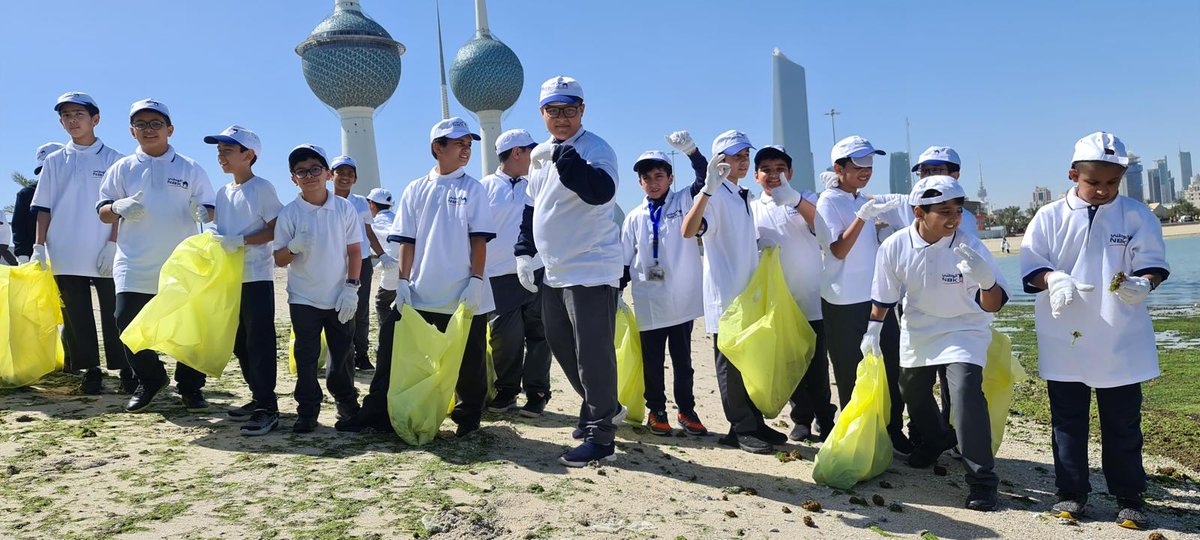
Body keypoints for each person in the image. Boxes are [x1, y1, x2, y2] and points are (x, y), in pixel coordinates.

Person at [1020, 132, 1169, 529]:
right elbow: (1031, 269)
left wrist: (1144, 283)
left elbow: (1153, 263)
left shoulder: (1137, 215)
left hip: (1120, 333)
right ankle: (1071, 493)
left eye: (1112, 183)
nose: (1103, 190)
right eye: (1094, 182)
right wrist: (1053, 279)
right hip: (1064, 333)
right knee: (1067, 422)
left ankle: (1130, 497)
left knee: (1122, 423)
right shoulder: (1049, 217)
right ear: (1073, 174)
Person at [338, 117, 495, 438]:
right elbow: (405, 240)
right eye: (459, 145)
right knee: (393, 352)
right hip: (420, 292)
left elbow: (479, 240)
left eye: (468, 146)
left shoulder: (473, 189)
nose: (466, 151)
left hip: (464, 292)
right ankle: (378, 412)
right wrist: (404, 283)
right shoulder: (416, 189)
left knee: (470, 359)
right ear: (438, 148)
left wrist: (476, 281)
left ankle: (468, 418)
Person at [868, 175, 1009, 512]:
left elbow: (994, 303)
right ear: (919, 212)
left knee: (964, 395)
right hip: (919, 328)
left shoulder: (970, 247)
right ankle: (934, 440)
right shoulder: (895, 245)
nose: (954, 219)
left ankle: (983, 482)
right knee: (911, 391)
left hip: (965, 329)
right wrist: (872, 331)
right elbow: (884, 296)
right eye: (944, 211)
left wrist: (987, 279)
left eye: (958, 211)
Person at [515, 76, 624, 466]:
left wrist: (570, 161)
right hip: (553, 268)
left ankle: (600, 435)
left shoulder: (595, 149)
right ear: (542, 113)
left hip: (591, 267)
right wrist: (524, 252)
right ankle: (604, 407)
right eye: (554, 110)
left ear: (582, 110)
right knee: (562, 345)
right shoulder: (540, 153)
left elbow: (601, 192)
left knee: (592, 353)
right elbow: (531, 207)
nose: (562, 118)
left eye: (570, 109)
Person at [97, 99, 216, 412]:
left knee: (190, 329)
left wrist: (203, 210)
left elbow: (210, 207)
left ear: (170, 129)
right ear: (132, 131)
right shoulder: (122, 168)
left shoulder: (190, 167)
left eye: (155, 124)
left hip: (181, 263)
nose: (148, 130)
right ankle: (150, 378)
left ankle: (191, 388)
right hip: (133, 261)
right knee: (126, 323)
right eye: (141, 124)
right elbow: (103, 212)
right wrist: (116, 207)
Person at [681, 130, 789, 454]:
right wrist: (706, 191)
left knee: (748, 363)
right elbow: (689, 230)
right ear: (719, 161)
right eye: (736, 156)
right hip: (725, 298)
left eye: (745, 156)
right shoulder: (715, 197)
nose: (743, 161)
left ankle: (753, 424)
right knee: (729, 365)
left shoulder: (742, 196)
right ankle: (741, 429)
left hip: (747, 295)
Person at [815, 135, 911, 453]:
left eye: (870, 163)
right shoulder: (829, 201)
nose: (866, 170)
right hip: (843, 302)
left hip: (877, 299)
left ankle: (892, 430)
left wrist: (877, 223)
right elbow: (838, 249)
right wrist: (862, 217)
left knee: (890, 365)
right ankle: (857, 434)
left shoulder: (860, 199)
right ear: (838, 167)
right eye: (858, 164)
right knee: (850, 371)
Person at [30, 93, 125, 393]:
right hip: (65, 250)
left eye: (79, 114)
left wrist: (113, 244)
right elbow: (43, 207)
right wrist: (38, 246)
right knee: (76, 314)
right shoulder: (55, 161)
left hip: (105, 249)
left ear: (95, 119)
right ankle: (90, 370)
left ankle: (125, 369)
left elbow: (121, 209)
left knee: (115, 312)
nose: (72, 120)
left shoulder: (115, 160)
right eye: (66, 116)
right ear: (61, 122)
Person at [747, 145, 835, 442]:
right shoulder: (751, 207)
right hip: (777, 304)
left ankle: (826, 417)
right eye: (767, 170)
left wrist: (795, 201)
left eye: (780, 169)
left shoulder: (806, 198)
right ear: (756, 175)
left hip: (811, 297)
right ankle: (801, 418)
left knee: (817, 364)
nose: (774, 175)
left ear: (791, 172)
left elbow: (823, 227)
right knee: (789, 363)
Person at [272, 144, 362, 433]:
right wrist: (293, 247)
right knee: (306, 358)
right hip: (304, 298)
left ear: (327, 173)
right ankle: (307, 411)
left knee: (342, 356)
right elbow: (279, 259)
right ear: (293, 178)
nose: (308, 175)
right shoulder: (290, 213)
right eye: (301, 171)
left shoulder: (344, 207)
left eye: (314, 169)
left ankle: (347, 407)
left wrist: (352, 287)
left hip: (339, 297)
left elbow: (355, 252)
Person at [620, 142, 708, 436]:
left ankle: (686, 409)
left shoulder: (684, 201)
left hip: (681, 298)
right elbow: (624, 259)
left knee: (683, 361)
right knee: (653, 361)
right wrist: (616, 293)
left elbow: (704, 179)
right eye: (647, 178)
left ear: (670, 178)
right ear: (639, 182)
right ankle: (656, 410)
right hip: (649, 300)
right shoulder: (634, 217)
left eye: (659, 176)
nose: (653, 183)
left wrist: (693, 152)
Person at [203, 125, 283, 435]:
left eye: (228, 149)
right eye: (219, 149)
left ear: (248, 155)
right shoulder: (223, 192)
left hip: (255, 277)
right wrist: (213, 231)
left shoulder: (261, 188)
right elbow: (224, 232)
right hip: (230, 278)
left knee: (259, 342)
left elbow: (276, 228)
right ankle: (258, 396)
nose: (220, 155)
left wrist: (242, 241)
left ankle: (268, 407)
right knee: (239, 342)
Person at [481, 128, 553, 417]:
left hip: (536, 270)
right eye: (530, 150)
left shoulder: (538, 182)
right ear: (516, 153)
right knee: (505, 336)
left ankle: (536, 393)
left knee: (540, 335)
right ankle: (507, 391)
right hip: (499, 275)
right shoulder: (484, 187)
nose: (535, 156)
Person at [330, 155, 393, 372]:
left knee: (360, 309)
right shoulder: (323, 199)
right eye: (340, 172)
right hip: (334, 262)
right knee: (333, 308)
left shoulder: (360, 204)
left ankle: (361, 355)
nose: (345, 177)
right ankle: (339, 355)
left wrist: (382, 255)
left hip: (362, 262)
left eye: (350, 174)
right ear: (331, 175)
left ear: (355, 179)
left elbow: (369, 232)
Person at [13, 143, 64, 265]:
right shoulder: (26, 194)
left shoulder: (75, 192)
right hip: (36, 259)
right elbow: (19, 226)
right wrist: (22, 255)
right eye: (43, 170)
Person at [366, 187, 397, 331]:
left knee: (381, 303)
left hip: (392, 268)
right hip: (412, 270)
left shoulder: (375, 223)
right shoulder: (397, 218)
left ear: (372, 204)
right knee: (402, 304)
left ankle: (387, 338)